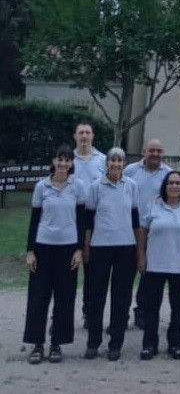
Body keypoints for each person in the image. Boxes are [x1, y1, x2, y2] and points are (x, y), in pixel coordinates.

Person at [23, 145, 86, 365]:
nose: (63, 164)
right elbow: (34, 220)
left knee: (64, 298)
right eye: (60, 160)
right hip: (43, 247)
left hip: (68, 248)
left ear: (71, 164)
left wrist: (79, 249)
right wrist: (30, 251)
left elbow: (81, 220)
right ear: (54, 161)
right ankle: (37, 344)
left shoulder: (77, 187)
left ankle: (57, 343)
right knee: (39, 297)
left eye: (67, 160)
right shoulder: (42, 186)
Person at [84, 147, 140, 361]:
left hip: (126, 247)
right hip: (100, 247)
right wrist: (87, 247)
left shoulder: (131, 186)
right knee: (96, 296)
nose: (116, 165)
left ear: (124, 164)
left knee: (121, 297)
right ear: (106, 163)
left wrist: (139, 249)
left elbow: (135, 218)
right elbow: (88, 219)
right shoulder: (96, 187)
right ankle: (93, 342)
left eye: (120, 161)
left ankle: (116, 343)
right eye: (112, 161)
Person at [137, 171, 180, 360]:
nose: (174, 186)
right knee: (151, 307)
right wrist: (141, 256)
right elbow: (143, 232)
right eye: (171, 183)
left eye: (178, 183)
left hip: (179, 265)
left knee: (178, 306)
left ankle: (176, 344)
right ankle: (149, 344)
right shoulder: (153, 205)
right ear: (165, 186)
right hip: (155, 264)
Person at [124, 139, 172, 328]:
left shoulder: (168, 174)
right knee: (126, 276)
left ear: (163, 153)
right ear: (144, 151)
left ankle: (142, 311)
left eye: (158, 151)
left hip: (154, 233)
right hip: (129, 230)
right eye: (151, 150)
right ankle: (121, 314)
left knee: (148, 276)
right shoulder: (130, 171)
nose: (155, 154)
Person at [72, 121, 106, 330]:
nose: (84, 136)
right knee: (68, 267)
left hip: (94, 218)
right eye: (81, 133)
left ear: (93, 136)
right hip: (72, 217)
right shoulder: (68, 159)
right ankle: (59, 316)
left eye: (87, 133)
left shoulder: (102, 160)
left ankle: (89, 311)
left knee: (92, 270)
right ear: (75, 136)